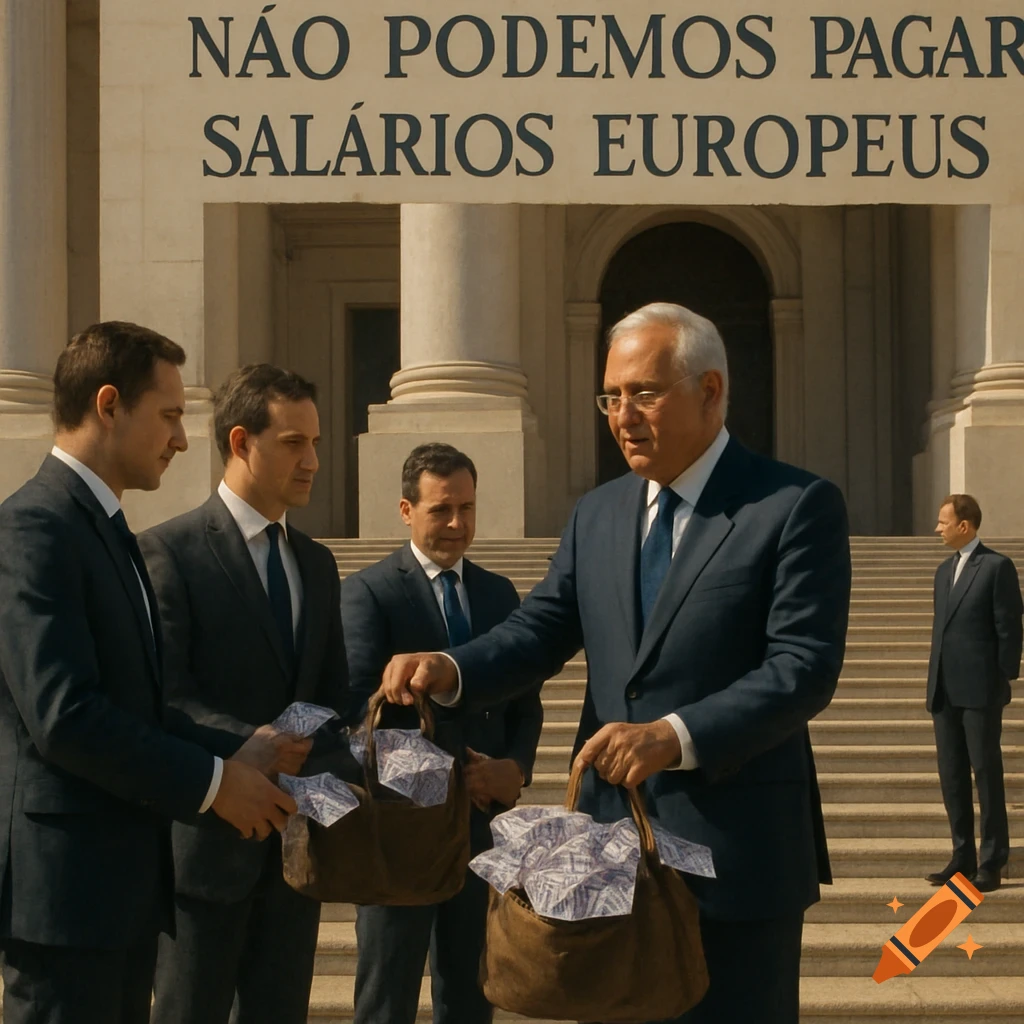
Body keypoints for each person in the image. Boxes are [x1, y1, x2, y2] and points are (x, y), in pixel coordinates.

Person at [381, 303, 852, 1024]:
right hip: (606, 858)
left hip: (736, 855)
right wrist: (452, 668)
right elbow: (541, 629)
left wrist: (674, 735)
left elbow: (802, 667)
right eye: (611, 395)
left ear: (711, 391)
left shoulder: (792, 506)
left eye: (645, 392)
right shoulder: (597, 513)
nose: (622, 414)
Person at [0, 323, 300, 1024]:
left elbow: (137, 705)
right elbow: (66, 716)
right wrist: (214, 785)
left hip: (119, 894)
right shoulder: (34, 528)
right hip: (65, 905)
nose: (182, 438)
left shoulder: (106, 528)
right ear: (109, 405)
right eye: (169, 415)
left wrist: (233, 750)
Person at [139, 364, 351, 1024]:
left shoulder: (316, 564)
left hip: (295, 858)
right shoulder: (167, 552)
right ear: (240, 442)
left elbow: (332, 696)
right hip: (203, 852)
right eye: (293, 443)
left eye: (315, 442)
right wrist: (249, 746)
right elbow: (165, 697)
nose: (313, 460)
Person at [343, 442, 543, 1024]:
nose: (457, 524)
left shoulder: (499, 593)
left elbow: (524, 704)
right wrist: (450, 776)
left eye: (467, 508)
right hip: (399, 830)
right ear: (407, 511)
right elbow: (355, 712)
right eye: (441, 510)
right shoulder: (369, 592)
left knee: (472, 993)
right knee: (388, 996)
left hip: (483, 831)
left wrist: (517, 768)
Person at [925, 494, 1022, 893]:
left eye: (943, 522)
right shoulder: (943, 571)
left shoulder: (996, 566)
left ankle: (992, 861)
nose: (937, 528)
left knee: (986, 774)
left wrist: (1002, 678)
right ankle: (961, 856)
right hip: (944, 691)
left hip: (980, 691)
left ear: (965, 525)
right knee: (952, 777)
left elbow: (1009, 627)